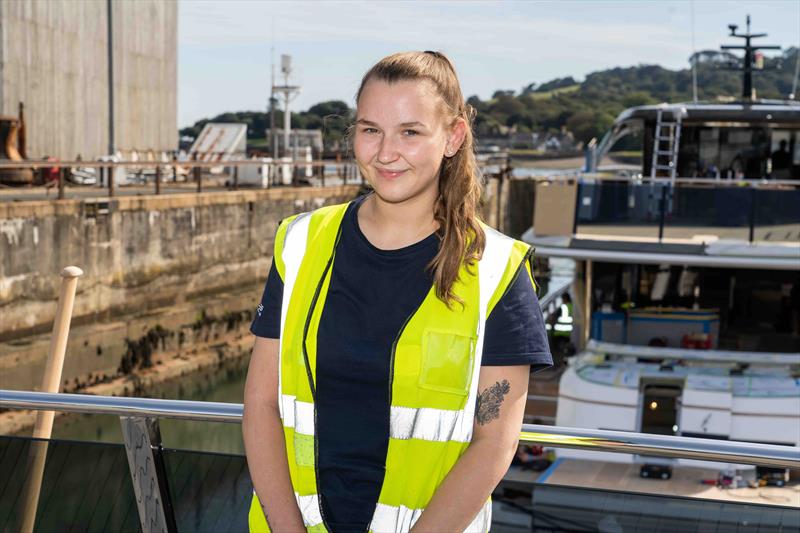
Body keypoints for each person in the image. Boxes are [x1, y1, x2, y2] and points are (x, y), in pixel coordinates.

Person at [243, 50, 552, 533]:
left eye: (410, 132)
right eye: (370, 130)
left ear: (452, 137)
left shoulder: (497, 271)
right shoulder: (301, 243)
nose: (385, 152)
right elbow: (261, 405)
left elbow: (494, 441)